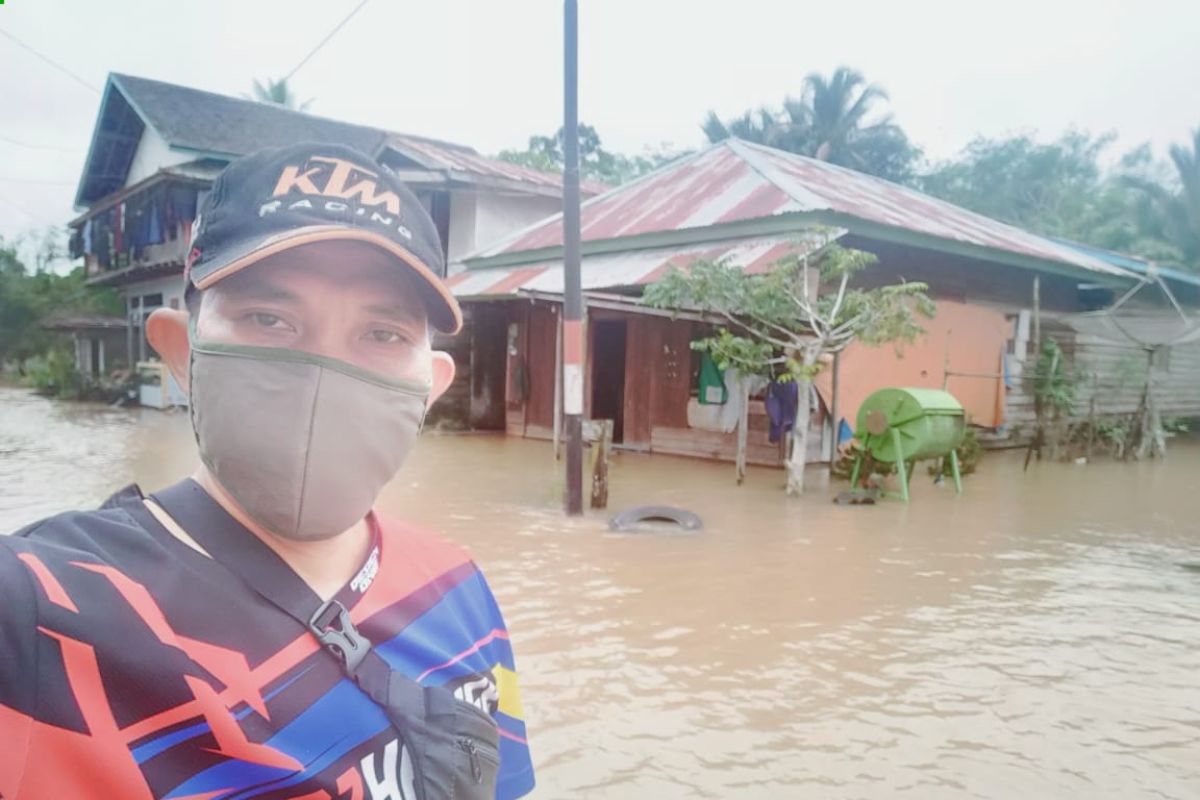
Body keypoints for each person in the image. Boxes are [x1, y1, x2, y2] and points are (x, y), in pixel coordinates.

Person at [0, 143, 534, 800]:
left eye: (382, 334)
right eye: (269, 319)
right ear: (182, 354)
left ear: (432, 386)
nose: (321, 371)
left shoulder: (460, 587)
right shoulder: (42, 614)